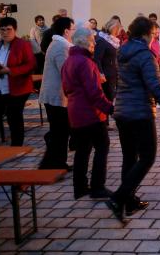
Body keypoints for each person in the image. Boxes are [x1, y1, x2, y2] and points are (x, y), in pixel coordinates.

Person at [105, 17, 160, 222]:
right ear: (145, 35)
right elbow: (157, 88)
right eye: (153, 34)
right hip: (140, 112)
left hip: (122, 111)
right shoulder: (144, 55)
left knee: (129, 157)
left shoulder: (122, 51)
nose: (154, 38)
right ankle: (119, 197)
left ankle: (129, 200)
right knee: (147, 156)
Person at [61, 28, 114, 199]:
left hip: (75, 112)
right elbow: (95, 93)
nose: (95, 43)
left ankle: (80, 186)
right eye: (92, 40)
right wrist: (110, 109)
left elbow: (66, 88)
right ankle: (98, 187)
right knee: (102, 146)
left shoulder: (69, 60)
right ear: (84, 42)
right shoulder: (85, 62)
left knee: (82, 150)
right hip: (90, 113)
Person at [0, 17, 36, 146]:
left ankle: (16, 147)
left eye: (8, 29)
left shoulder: (23, 44)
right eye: (2, 29)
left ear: (15, 30)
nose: (5, 32)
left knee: (14, 119)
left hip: (16, 90)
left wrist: (10, 70)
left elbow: (31, 65)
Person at [38, 16, 76, 170]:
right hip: (55, 96)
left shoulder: (59, 45)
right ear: (66, 31)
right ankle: (52, 164)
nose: (73, 32)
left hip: (56, 95)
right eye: (72, 29)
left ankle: (56, 162)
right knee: (60, 131)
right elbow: (66, 71)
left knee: (61, 131)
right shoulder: (60, 47)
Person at [95, 18, 122, 101]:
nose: (120, 31)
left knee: (111, 97)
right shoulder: (102, 40)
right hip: (106, 75)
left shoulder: (114, 41)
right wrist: (101, 73)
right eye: (119, 28)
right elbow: (97, 58)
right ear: (114, 29)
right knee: (107, 97)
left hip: (113, 73)